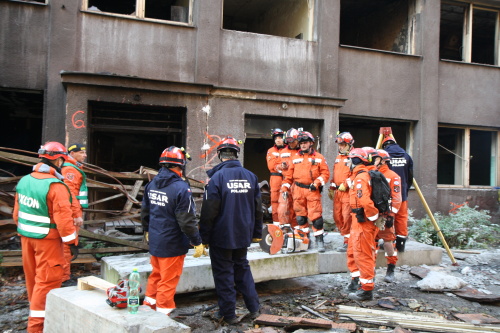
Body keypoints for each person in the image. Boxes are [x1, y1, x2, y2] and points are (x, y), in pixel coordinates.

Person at [13, 141, 79, 333]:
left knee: (33, 281)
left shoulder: (24, 180)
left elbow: (16, 215)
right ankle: (36, 328)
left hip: (27, 239)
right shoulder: (56, 186)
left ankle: (34, 317)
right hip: (48, 242)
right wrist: (72, 242)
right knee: (47, 283)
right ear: (58, 160)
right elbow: (64, 221)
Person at [199, 136, 263, 324]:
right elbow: (258, 209)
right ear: (236, 154)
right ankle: (254, 308)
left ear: (220, 155)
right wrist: (257, 233)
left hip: (222, 236)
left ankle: (228, 314)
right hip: (243, 234)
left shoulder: (216, 178)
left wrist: (203, 237)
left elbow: (209, 211)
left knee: (224, 273)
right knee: (242, 268)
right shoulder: (251, 176)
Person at [141, 146, 205, 316]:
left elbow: (145, 212)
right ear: (181, 164)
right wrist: (196, 241)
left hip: (156, 239)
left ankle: (149, 306)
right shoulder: (181, 188)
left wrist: (147, 230)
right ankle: (163, 313)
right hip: (172, 243)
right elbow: (187, 220)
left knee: (156, 275)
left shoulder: (152, 184)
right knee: (168, 281)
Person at [345, 148, 384, 301]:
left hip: (364, 222)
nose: (347, 162)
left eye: (350, 159)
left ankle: (366, 290)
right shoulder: (361, 175)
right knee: (355, 251)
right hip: (360, 220)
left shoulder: (361, 177)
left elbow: (365, 201)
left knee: (364, 254)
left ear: (355, 161)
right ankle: (357, 282)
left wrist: (374, 218)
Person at [281, 131, 330, 252]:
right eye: (301, 143)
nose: (303, 145)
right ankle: (305, 240)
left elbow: (325, 174)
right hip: (298, 190)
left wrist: (316, 183)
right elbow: (288, 176)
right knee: (300, 218)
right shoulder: (295, 158)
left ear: (311, 143)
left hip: (312, 190)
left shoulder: (318, 157)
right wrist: (284, 188)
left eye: (305, 143)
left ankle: (319, 241)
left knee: (316, 217)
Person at [60, 143, 87, 283]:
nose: (85, 155)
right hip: (69, 212)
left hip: (70, 211)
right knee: (67, 243)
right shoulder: (70, 170)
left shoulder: (74, 168)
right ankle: (64, 277)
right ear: (73, 153)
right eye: (82, 153)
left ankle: (65, 275)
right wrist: (76, 214)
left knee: (68, 243)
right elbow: (70, 194)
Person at [375, 149, 402, 283]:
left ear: (383, 160)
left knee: (388, 241)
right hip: (372, 213)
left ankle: (391, 269)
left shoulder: (393, 176)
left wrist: (391, 215)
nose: (373, 160)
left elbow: (397, 198)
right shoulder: (371, 173)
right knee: (371, 241)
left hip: (385, 213)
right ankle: (370, 268)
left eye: (376, 158)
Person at [382, 136, 414, 252]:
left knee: (388, 217)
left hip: (387, 194)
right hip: (402, 194)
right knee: (402, 218)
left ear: (384, 146)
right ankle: (400, 245)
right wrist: (405, 189)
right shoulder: (406, 156)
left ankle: (388, 243)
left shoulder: (384, 156)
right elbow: (410, 176)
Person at [328, 132, 355, 252]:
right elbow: (336, 174)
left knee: (346, 216)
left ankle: (348, 242)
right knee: (337, 216)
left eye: (343, 144)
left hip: (347, 192)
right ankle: (345, 237)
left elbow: (357, 174)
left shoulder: (354, 157)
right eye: (339, 144)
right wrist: (332, 187)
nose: (340, 147)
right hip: (338, 192)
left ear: (349, 144)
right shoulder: (339, 157)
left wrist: (345, 184)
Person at [278, 128, 301, 228]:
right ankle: (284, 228)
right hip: (286, 181)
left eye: (293, 141)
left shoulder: (302, 152)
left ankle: (297, 230)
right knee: (283, 207)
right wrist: (281, 167)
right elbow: (276, 166)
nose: (290, 143)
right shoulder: (283, 151)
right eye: (288, 141)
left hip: (298, 183)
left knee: (298, 207)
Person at [266, 128, 286, 224]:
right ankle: (276, 224)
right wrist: (282, 165)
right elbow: (271, 166)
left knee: (288, 201)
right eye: (276, 138)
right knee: (275, 201)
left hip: (287, 178)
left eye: (280, 138)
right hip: (275, 178)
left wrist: (279, 164)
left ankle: (286, 224)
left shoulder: (288, 150)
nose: (278, 140)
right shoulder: (271, 151)